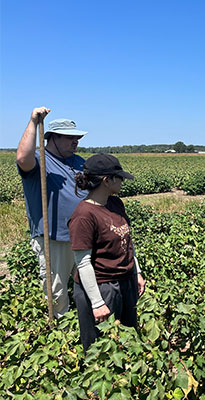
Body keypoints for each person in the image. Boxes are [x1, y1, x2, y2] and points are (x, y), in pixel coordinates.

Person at [68, 153, 146, 352]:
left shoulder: (115, 203)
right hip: (102, 287)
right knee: (101, 348)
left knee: (128, 341)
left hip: (125, 281)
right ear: (106, 180)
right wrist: (97, 303)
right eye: (118, 177)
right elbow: (83, 263)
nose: (122, 181)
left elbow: (127, 241)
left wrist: (136, 272)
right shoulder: (84, 215)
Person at [16, 107, 88, 318]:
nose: (76, 142)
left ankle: (83, 321)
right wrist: (34, 123)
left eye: (77, 138)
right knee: (56, 288)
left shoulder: (79, 161)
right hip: (54, 237)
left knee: (86, 281)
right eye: (70, 138)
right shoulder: (39, 160)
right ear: (52, 138)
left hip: (82, 234)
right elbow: (22, 158)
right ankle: (59, 329)